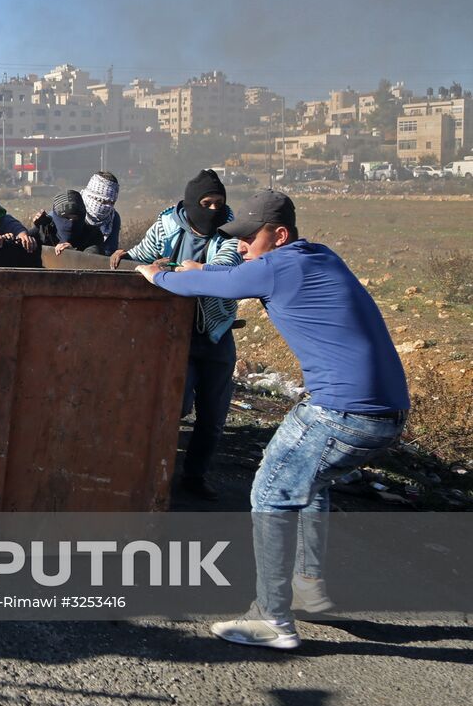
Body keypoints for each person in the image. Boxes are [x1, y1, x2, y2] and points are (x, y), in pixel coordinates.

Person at [139, 190, 409, 650]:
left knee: (271, 489)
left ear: (280, 235)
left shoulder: (281, 266)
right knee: (308, 483)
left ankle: (272, 618)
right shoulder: (316, 258)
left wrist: (157, 273)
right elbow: (236, 275)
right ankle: (307, 585)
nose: (242, 245)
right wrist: (207, 269)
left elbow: (199, 285)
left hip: (342, 412)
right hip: (385, 414)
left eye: (250, 237)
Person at [112, 169, 241, 499]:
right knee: (175, 405)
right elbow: (142, 255)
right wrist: (124, 256)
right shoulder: (168, 225)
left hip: (215, 332)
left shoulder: (230, 233)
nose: (213, 210)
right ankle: (156, 474)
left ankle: (194, 478)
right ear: (190, 203)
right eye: (206, 203)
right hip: (176, 335)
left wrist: (171, 269)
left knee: (213, 416)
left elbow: (222, 269)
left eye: (219, 203)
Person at [28, 190, 106, 254]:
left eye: (75, 218)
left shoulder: (92, 235)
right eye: (66, 218)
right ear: (56, 217)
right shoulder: (44, 230)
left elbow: (92, 258)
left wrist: (73, 254)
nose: (71, 223)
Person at [81, 171, 122, 255]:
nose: (108, 207)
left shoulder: (113, 218)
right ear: (91, 196)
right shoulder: (73, 210)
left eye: (112, 203)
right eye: (102, 201)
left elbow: (109, 251)